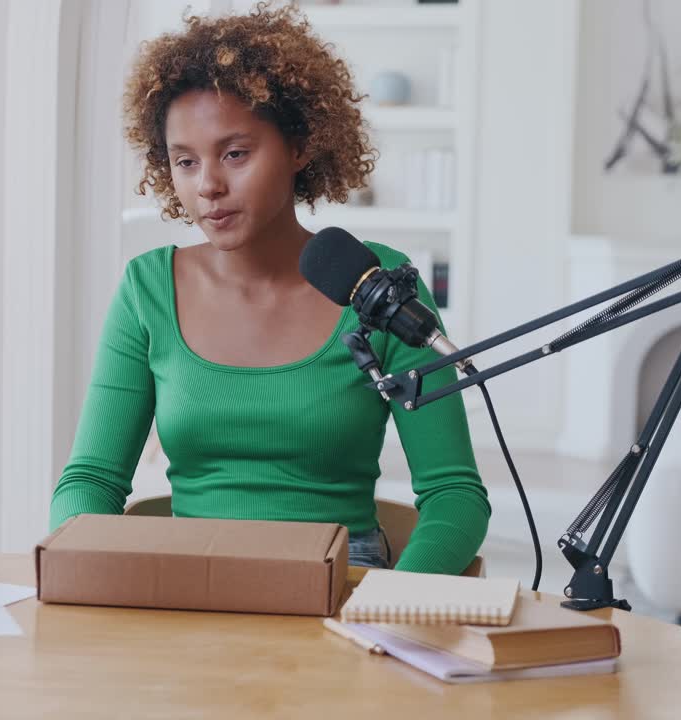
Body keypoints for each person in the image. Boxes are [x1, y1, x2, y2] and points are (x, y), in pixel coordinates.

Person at [48, 3, 489, 574]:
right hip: (192, 576)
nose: (208, 186)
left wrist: (392, 603)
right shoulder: (147, 288)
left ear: (299, 146)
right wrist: (93, 567)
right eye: (184, 161)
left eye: (235, 154)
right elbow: (91, 480)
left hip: (343, 583)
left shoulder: (380, 289)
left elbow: (455, 494)